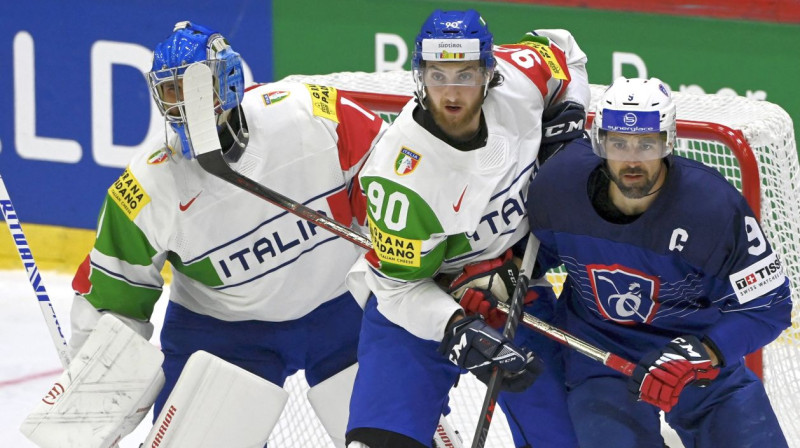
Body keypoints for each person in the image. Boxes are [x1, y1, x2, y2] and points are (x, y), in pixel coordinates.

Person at [67, 21, 386, 446]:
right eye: (172, 91)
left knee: (400, 436)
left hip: (346, 307)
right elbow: (113, 302)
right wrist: (92, 409)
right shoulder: (145, 189)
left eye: (198, 87)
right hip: (223, 333)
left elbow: (395, 192)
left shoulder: (309, 114)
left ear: (230, 80)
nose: (185, 104)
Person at [344, 9, 590, 448]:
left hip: (517, 285)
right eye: (438, 76)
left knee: (571, 439)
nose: (452, 92)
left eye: (466, 75)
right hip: (423, 301)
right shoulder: (399, 180)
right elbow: (398, 290)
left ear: (489, 73)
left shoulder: (520, 80)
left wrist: (570, 117)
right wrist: (455, 325)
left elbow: (566, 51)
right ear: (420, 76)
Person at [522, 77, 792, 447]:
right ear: (599, 141)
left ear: (669, 141)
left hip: (696, 355)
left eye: (646, 143)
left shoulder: (711, 207)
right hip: (601, 359)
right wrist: (498, 276)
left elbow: (770, 305)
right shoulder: (559, 187)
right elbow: (535, 258)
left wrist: (704, 352)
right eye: (619, 143)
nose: (632, 159)